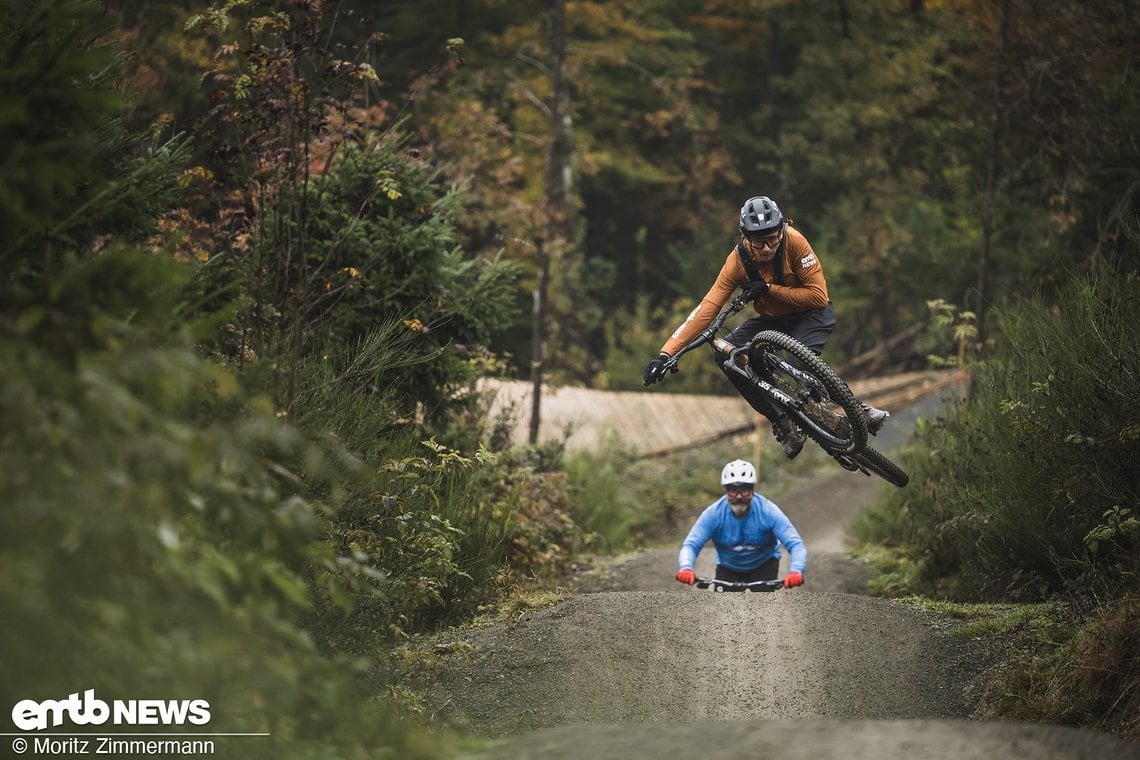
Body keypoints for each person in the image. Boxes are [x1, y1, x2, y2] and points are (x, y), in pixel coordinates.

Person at [643, 194, 887, 459]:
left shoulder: (795, 242)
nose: (767, 247)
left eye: (772, 238)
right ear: (744, 237)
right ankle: (782, 423)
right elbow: (706, 309)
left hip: (812, 314)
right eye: (758, 241)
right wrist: (666, 354)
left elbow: (818, 296)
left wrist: (770, 289)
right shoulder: (737, 262)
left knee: (798, 361)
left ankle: (859, 410)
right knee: (727, 354)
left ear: (782, 229)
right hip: (773, 320)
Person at [675, 459, 806, 591]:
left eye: (744, 490)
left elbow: (795, 544)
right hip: (728, 568)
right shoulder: (713, 514)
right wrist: (686, 568)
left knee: (763, 608)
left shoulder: (769, 511)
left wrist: (796, 571)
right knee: (724, 608)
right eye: (733, 490)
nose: (738, 496)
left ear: (753, 490)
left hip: (764, 564)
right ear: (726, 491)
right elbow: (691, 545)